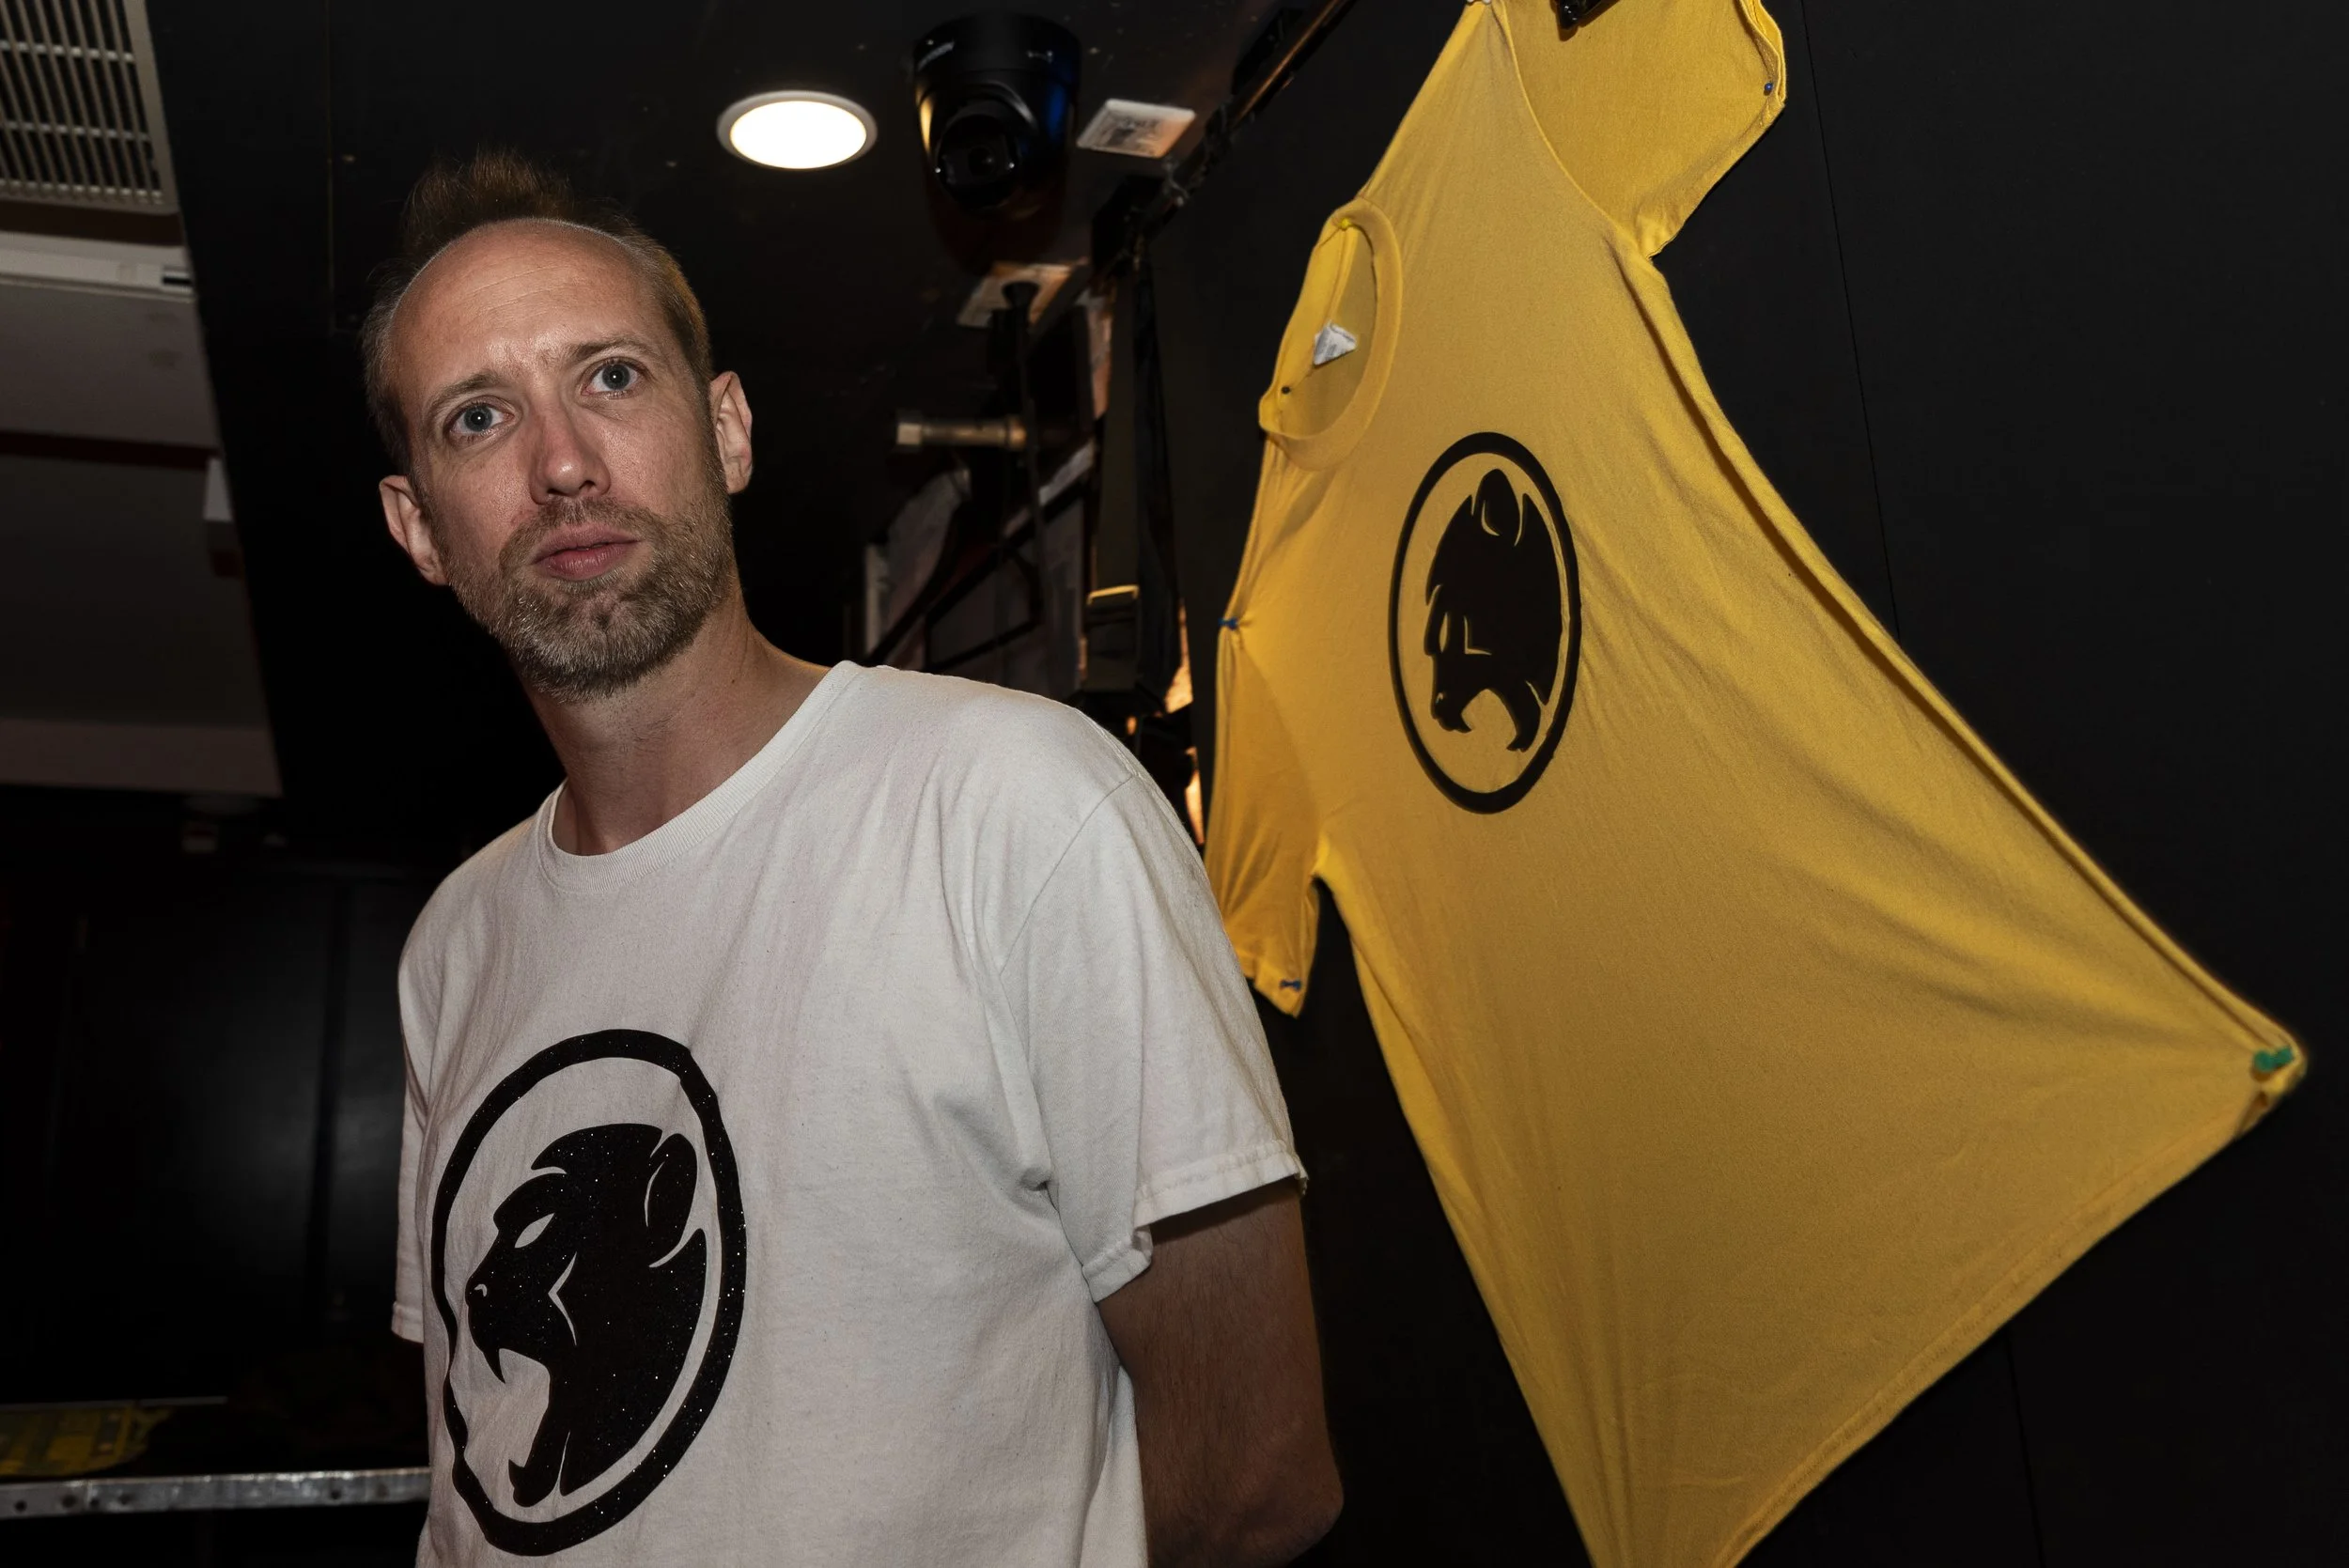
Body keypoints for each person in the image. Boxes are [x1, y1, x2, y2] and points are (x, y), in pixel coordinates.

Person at [368, 150, 1340, 1567]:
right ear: (419, 531)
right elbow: (477, 1480)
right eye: (477, 417)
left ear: (731, 431)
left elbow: (1257, 1474)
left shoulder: (1018, 807)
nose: (563, 461)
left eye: (614, 380)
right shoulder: (455, 943)